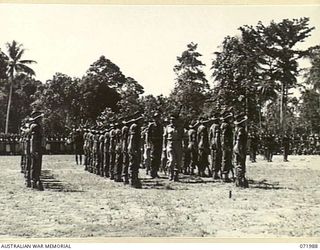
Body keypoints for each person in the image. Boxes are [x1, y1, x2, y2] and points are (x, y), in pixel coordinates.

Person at [163, 114, 184, 181]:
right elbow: (165, 137)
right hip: (170, 144)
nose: (172, 121)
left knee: (178, 161)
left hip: (178, 144)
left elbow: (183, 137)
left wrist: (184, 145)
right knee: (171, 160)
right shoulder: (167, 127)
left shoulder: (180, 128)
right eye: (171, 119)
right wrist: (164, 147)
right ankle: (170, 174)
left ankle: (176, 175)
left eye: (174, 120)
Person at [29, 111, 45, 191]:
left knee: (34, 165)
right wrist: (34, 150)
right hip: (36, 148)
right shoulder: (36, 127)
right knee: (36, 165)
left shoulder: (33, 126)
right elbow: (34, 139)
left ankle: (33, 181)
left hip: (36, 148)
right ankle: (36, 181)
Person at [128, 115, 144, 188]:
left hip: (136, 147)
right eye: (141, 120)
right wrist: (131, 147)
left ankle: (134, 179)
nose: (143, 122)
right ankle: (133, 180)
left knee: (136, 164)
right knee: (134, 163)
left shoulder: (136, 126)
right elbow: (132, 137)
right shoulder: (135, 126)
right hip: (135, 148)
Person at [233, 114, 249, 188]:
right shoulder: (241, 129)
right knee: (240, 164)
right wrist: (240, 150)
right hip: (240, 147)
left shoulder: (237, 128)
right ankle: (240, 181)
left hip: (237, 147)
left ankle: (238, 180)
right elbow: (239, 140)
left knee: (238, 163)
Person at [147, 113, 163, 178]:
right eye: (156, 117)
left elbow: (162, 135)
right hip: (153, 142)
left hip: (159, 143)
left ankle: (156, 172)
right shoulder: (151, 125)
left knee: (158, 158)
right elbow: (148, 135)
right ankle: (151, 172)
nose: (157, 118)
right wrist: (148, 144)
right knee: (152, 158)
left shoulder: (160, 125)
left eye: (158, 117)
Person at [220, 111, 234, 182]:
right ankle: (225, 175)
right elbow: (224, 136)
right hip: (227, 144)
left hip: (225, 144)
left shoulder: (223, 125)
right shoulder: (226, 125)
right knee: (226, 159)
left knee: (225, 159)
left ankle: (225, 175)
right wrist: (226, 145)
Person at [209, 113, 222, 179]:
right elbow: (217, 136)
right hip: (216, 144)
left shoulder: (211, 126)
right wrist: (218, 145)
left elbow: (210, 136)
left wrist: (210, 144)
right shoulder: (217, 126)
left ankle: (214, 172)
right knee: (216, 158)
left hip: (212, 143)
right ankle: (215, 173)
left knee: (213, 158)